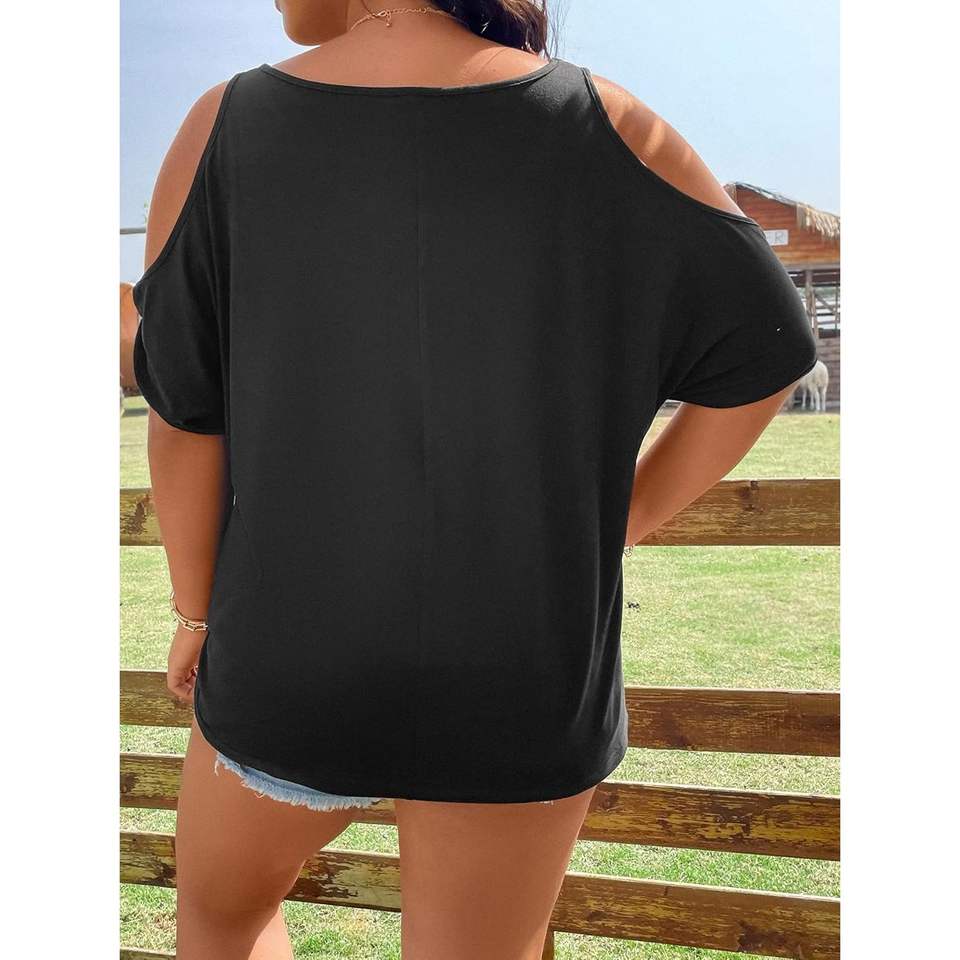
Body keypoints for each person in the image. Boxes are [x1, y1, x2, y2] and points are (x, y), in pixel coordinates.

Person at [132, 2, 818, 957]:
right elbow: (768, 354)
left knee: (220, 918)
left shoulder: (222, 124)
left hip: (289, 650)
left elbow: (184, 415)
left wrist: (197, 612)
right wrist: (612, 523)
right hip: (523, 663)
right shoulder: (611, 122)